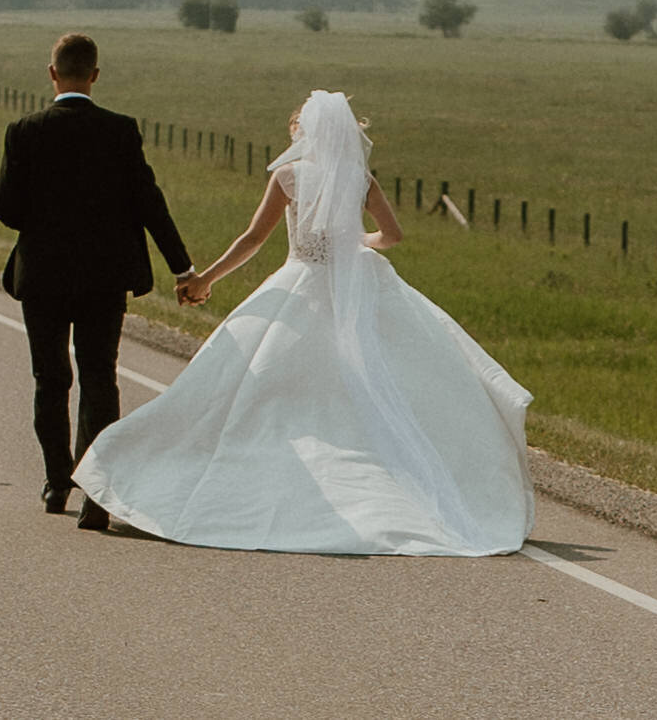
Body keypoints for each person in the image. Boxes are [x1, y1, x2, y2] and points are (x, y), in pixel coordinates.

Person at [75, 89, 534, 554]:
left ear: (304, 134)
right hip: (355, 283)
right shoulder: (361, 180)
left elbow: (254, 238)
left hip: (299, 282)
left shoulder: (288, 176)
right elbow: (393, 236)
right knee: (373, 380)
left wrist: (205, 279)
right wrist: (357, 242)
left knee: (261, 381)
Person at [0, 31, 195, 531]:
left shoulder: (24, 131)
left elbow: (7, 209)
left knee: (51, 377)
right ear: (95, 75)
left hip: (42, 276)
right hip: (105, 277)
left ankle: (57, 480)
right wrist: (182, 267)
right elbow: (150, 202)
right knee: (100, 375)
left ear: (52, 73)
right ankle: (97, 493)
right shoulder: (120, 131)